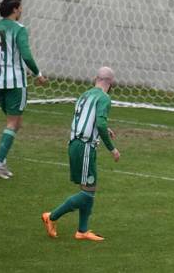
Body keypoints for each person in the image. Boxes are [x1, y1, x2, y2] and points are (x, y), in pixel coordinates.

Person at [42, 67, 120, 242]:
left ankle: (82, 231)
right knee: (87, 193)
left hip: (75, 144)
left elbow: (86, 119)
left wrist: (105, 129)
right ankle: (51, 216)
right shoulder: (104, 98)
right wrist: (112, 148)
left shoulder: (84, 95)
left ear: (95, 79)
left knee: (89, 189)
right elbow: (99, 123)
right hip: (85, 147)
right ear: (111, 83)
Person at [0, 0, 47, 179]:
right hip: (15, 82)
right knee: (13, 123)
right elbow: (27, 55)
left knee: (16, 123)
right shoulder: (19, 29)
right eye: (20, 7)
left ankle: (3, 162)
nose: (22, 10)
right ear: (15, 9)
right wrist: (38, 74)